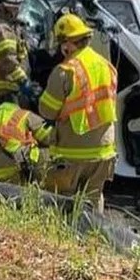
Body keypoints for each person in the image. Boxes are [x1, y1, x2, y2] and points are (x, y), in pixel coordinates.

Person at [38, 13, 118, 213]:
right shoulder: (106, 66)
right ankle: (94, 232)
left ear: (67, 44)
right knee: (93, 199)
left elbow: (47, 110)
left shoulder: (65, 71)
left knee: (62, 202)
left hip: (73, 153)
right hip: (104, 151)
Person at [0, 94, 54, 185]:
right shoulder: (23, 114)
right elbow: (50, 138)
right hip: (14, 168)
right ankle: (46, 187)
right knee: (49, 153)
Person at [0, 0, 35, 101]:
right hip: (7, 91)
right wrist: (24, 81)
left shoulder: (9, 24)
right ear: (3, 8)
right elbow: (8, 61)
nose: (18, 11)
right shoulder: (2, 30)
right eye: (14, 8)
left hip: (12, 88)